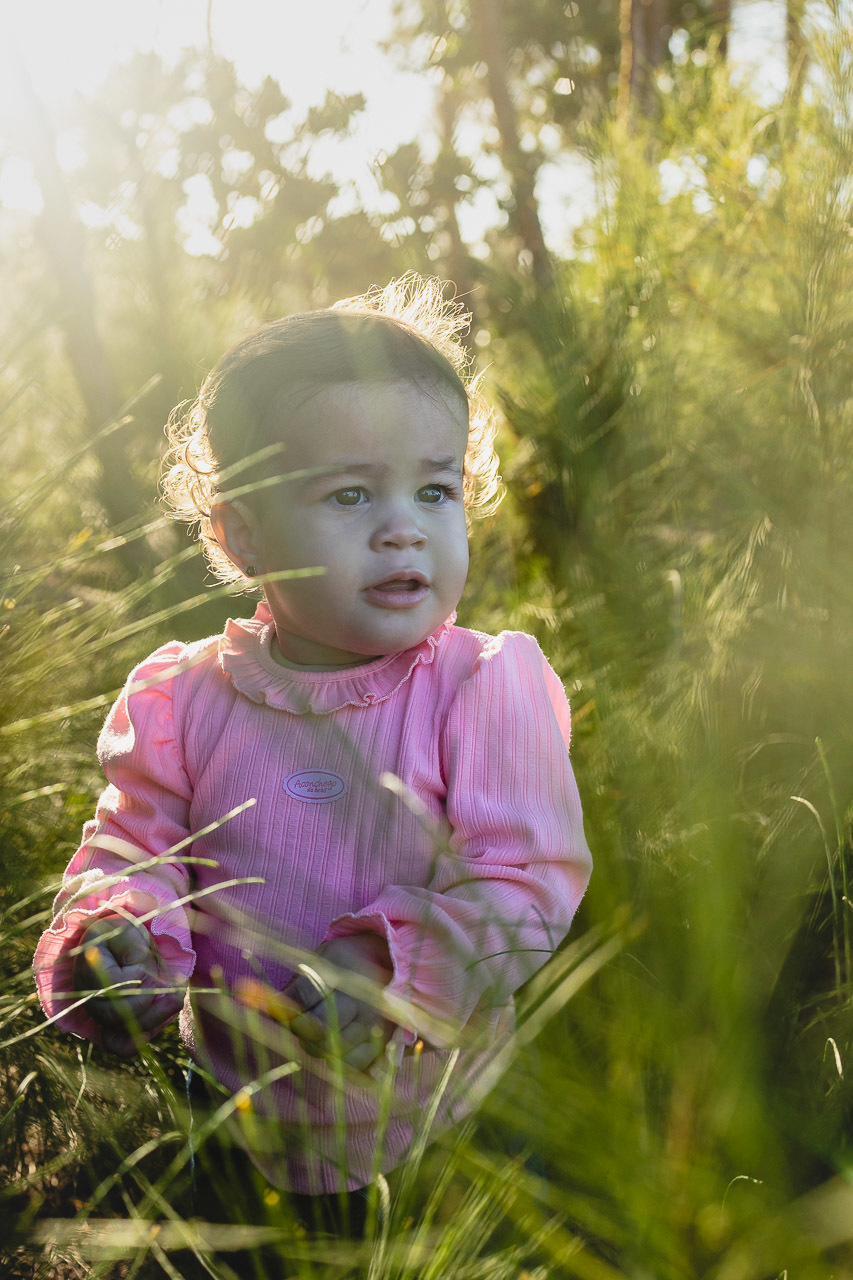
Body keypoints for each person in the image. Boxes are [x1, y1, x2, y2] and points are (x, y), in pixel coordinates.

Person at [33, 275, 592, 1212]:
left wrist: (386, 970)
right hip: (236, 1104)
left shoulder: (481, 689)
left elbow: (523, 883)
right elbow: (135, 847)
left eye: (434, 488)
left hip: (442, 1118)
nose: (403, 527)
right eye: (349, 494)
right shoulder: (185, 698)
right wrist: (119, 933)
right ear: (242, 534)